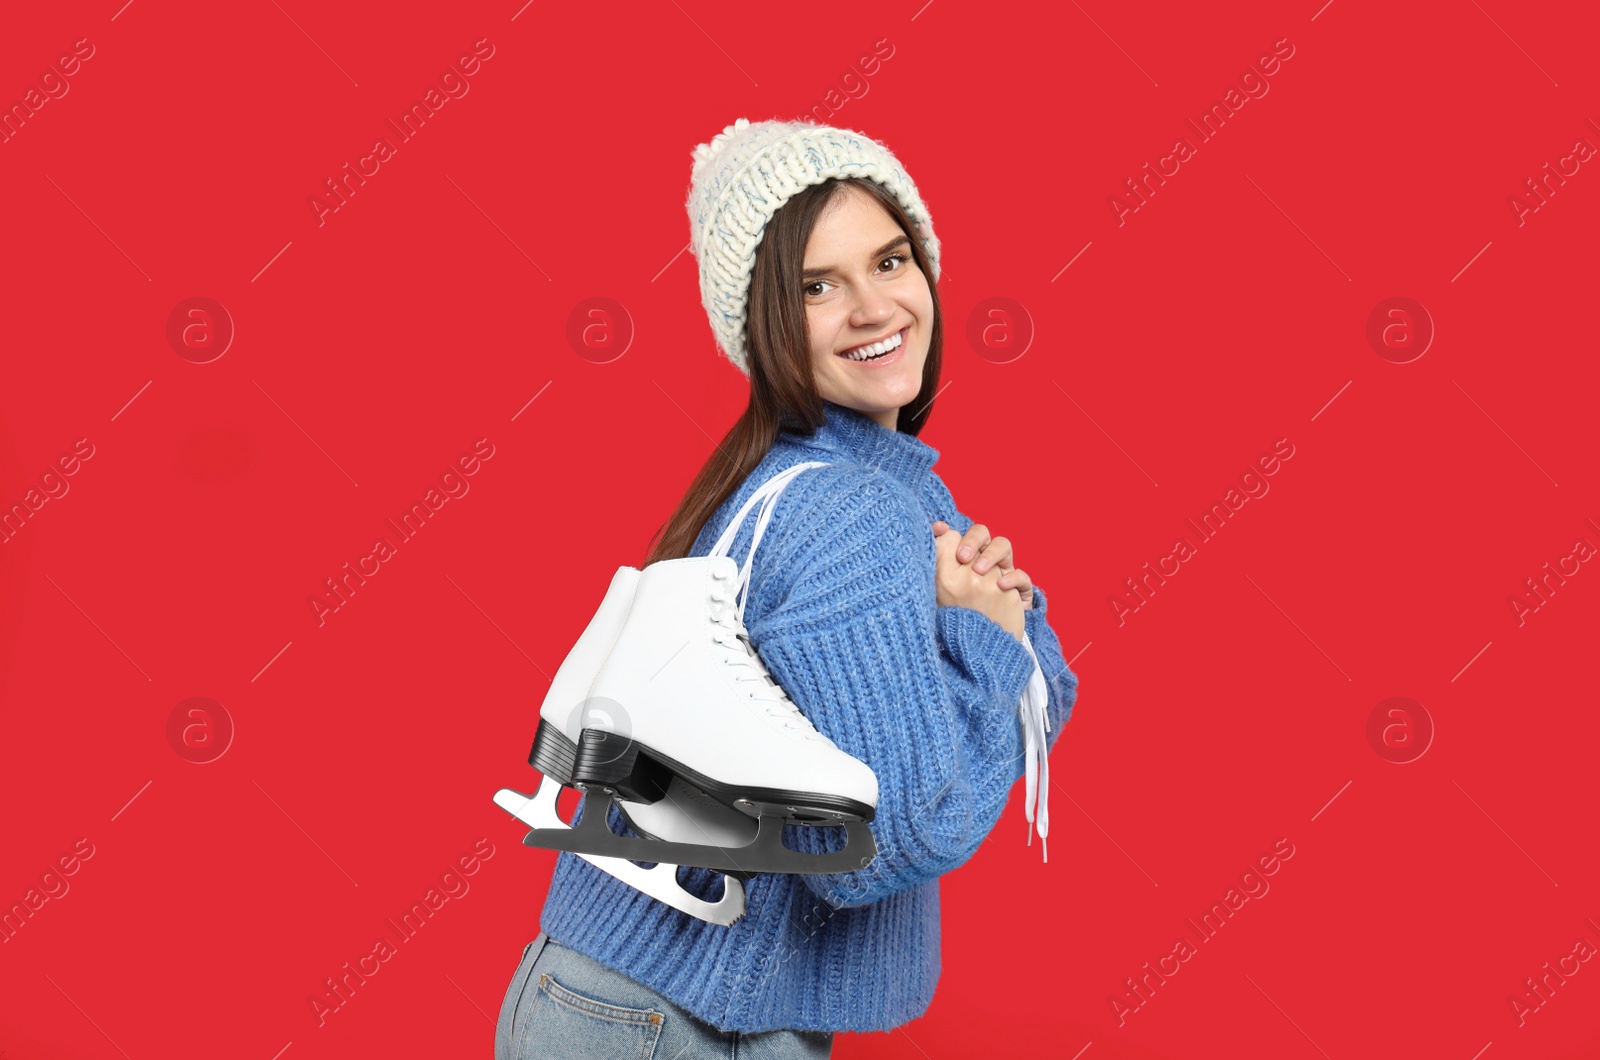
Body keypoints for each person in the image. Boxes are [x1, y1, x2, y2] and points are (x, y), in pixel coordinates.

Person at [495, 117, 1079, 1060]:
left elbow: (1033, 692)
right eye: (817, 286)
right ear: (764, 325)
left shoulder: (853, 479)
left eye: (891, 262)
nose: (873, 307)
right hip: (678, 1022)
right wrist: (988, 640)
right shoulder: (846, 513)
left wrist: (995, 629)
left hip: (640, 1003)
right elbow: (886, 842)